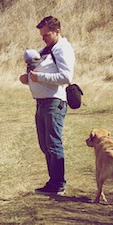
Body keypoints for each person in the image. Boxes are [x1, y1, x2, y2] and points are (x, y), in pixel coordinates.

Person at [19, 16, 75, 195]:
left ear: (57, 32)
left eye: (46, 35)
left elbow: (66, 77)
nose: (43, 38)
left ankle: (58, 184)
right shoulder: (47, 49)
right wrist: (27, 79)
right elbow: (42, 70)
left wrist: (39, 78)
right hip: (42, 103)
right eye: (42, 35)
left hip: (54, 102)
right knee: (44, 144)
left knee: (53, 143)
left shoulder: (63, 49)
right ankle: (53, 182)